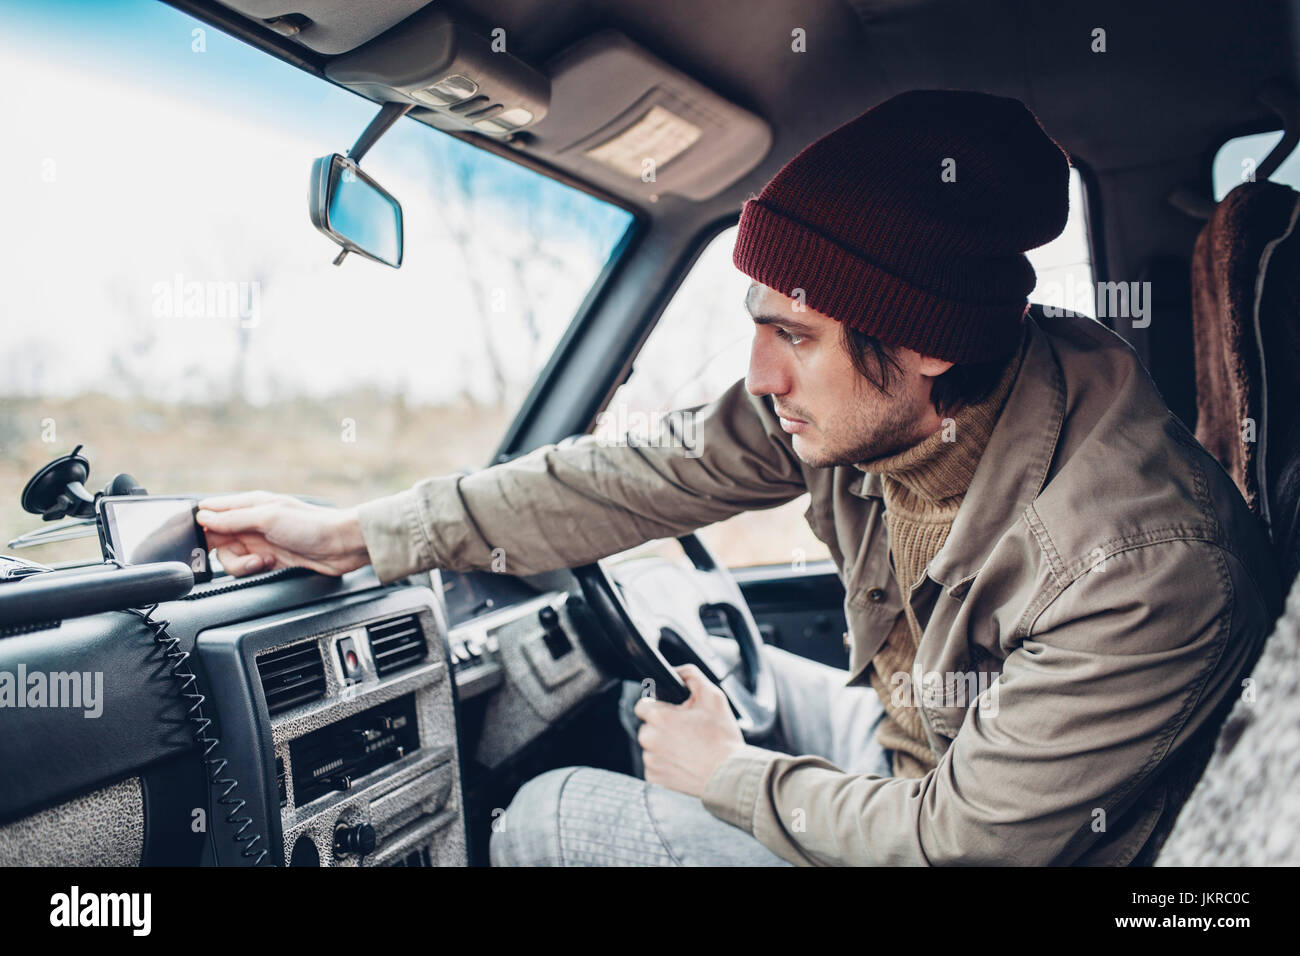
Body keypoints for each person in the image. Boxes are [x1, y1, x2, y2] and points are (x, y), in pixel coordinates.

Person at [196, 90, 1281, 866]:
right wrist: (356, 535)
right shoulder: (878, 404)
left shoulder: (1141, 563)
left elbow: (963, 845)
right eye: (757, 326)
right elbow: (636, 470)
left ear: (924, 341)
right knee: (722, 680)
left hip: (988, 835)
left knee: (549, 813)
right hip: (929, 750)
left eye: (794, 336)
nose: (761, 373)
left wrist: (727, 772)